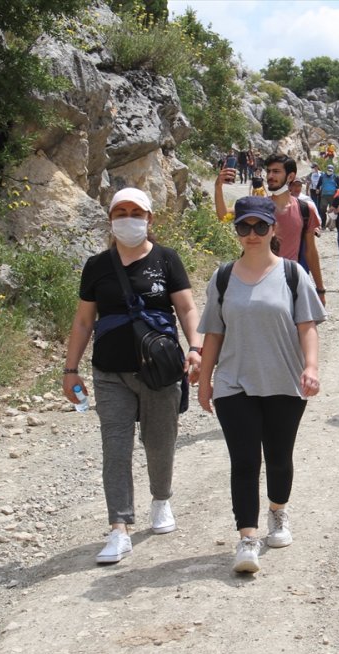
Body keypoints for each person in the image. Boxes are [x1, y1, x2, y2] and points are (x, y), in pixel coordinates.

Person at [62, 187, 203, 565]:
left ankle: (161, 500)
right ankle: (119, 527)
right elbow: (83, 320)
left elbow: (187, 308)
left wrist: (195, 348)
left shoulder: (166, 259)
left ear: (149, 218)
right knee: (116, 448)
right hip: (110, 372)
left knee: (159, 442)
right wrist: (70, 369)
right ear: (110, 219)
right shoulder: (97, 266)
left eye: (135, 212)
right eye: (120, 211)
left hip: (159, 371)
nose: (128, 218)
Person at [197, 196, 326, 574]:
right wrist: (205, 382)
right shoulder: (222, 278)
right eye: (243, 227)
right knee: (245, 460)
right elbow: (213, 336)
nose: (251, 234)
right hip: (234, 383)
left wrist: (312, 367)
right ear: (236, 230)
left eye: (259, 227)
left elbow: (308, 327)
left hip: (284, 380)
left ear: (273, 230)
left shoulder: (292, 274)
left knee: (279, 457)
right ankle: (247, 539)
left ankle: (278, 512)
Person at [216, 153, 327, 304]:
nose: (270, 176)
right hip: (258, 280)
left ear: (290, 176)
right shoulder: (258, 207)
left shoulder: (305, 209)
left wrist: (320, 289)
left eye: (276, 172)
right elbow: (223, 216)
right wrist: (218, 186)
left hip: (289, 281)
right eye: (268, 171)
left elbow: (310, 251)